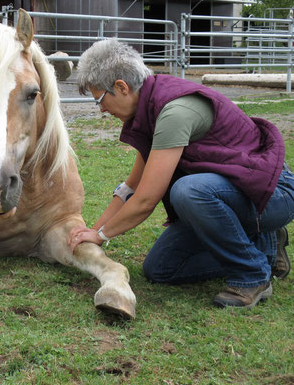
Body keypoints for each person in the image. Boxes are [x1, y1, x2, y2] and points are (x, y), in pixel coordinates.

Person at [67, 39, 293, 309]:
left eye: (100, 100)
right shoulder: (150, 107)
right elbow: (131, 188)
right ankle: (261, 244)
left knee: (188, 191)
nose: (102, 109)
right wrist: (92, 232)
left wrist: (102, 236)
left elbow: (146, 199)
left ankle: (252, 274)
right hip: (230, 195)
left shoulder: (173, 111)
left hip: (270, 194)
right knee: (161, 269)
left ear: (121, 87)